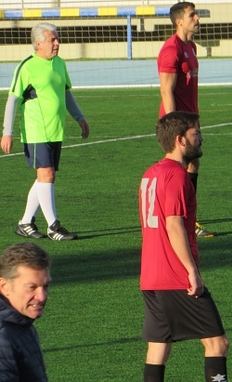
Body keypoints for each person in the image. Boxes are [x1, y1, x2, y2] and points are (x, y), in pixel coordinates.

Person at [139, 111, 229, 382]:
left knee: (158, 346)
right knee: (217, 343)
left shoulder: (151, 173)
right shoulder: (176, 177)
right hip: (175, 276)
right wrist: (191, 270)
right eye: (196, 134)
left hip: (151, 277)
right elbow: (173, 225)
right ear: (180, 140)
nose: (201, 139)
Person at [2, 22, 89, 241]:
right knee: (46, 175)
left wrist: (80, 118)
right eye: (53, 40)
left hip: (55, 130)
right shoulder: (28, 66)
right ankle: (53, 226)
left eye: (57, 39)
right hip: (35, 130)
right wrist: (7, 131)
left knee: (45, 177)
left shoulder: (59, 63)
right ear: (38, 43)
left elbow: (66, 94)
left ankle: (25, 222)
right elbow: (13, 99)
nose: (57, 43)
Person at [158, 1, 215, 238]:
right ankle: (178, 218)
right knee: (177, 169)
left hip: (191, 119)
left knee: (193, 164)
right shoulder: (171, 50)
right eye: (193, 15)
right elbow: (166, 90)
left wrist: (196, 121)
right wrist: (175, 126)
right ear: (179, 20)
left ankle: (188, 217)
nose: (197, 19)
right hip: (178, 121)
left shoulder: (190, 47)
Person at [0, 242, 51, 380]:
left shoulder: (20, 322)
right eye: (31, 287)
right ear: (4, 286)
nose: (41, 297)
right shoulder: (3, 335)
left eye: (45, 286)